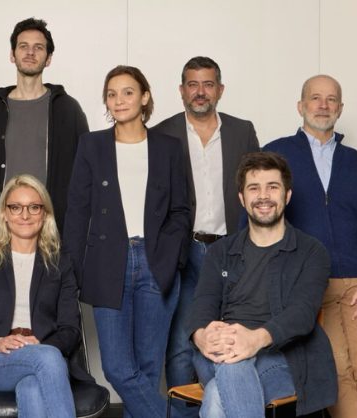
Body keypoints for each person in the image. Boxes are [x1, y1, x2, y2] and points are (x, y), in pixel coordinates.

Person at [63, 65, 190, 418]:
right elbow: (77, 212)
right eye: (112, 94)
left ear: (145, 97)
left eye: (128, 92)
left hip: (156, 260)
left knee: (148, 369)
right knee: (118, 368)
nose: (119, 100)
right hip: (107, 262)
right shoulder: (92, 145)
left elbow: (181, 209)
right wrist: (72, 271)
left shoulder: (168, 147)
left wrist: (173, 256)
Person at [263, 74, 357, 418]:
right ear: (300, 106)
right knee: (336, 372)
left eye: (331, 99)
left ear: (340, 108)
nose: (323, 105)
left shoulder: (356, 162)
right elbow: (259, 221)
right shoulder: (275, 155)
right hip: (308, 285)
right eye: (315, 98)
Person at [188, 151, 337, 417]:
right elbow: (203, 303)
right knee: (233, 361)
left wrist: (255, 339)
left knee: (216, 396)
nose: (263, 196)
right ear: (242, 198)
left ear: (287, 195)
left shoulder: (311, 251)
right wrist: (201, 336)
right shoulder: (220, 252)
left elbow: (302, 313)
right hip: (221, 350)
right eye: (254, 188)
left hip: (284, 357)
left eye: (273, 187)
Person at [152, 56, 259, 417]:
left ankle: (223, 404)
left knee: (232, 335)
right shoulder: (162, 133)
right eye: (193, 84)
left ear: (220, 90)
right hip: (184, 252)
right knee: (182, 343)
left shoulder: (242, 131)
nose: (200, 92)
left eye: (208, 84)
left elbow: (256, 188)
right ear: (181, 90)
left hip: (232, 250)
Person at [0, 174, 95, 418]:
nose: (25, 215)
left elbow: (70, 329)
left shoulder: (61, 264)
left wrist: (42, 346)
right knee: (48, 359)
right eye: (16, 207)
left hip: (46, 355)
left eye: (34, 207)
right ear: (4, 213)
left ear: (45, 214)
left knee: (32, 387)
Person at [0, 17, 88, 243]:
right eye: (23, 46)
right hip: (1, 232)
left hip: (53, 232)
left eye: (38, 47)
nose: (30, 52)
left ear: (48, 58)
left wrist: (73, 229)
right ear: (12, 55)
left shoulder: (68, 109)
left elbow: (84, 174)